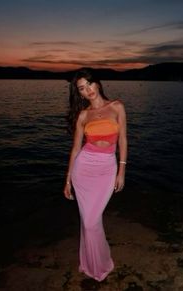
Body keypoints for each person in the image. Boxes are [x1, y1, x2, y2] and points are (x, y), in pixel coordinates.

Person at [63, 68, 127, 281]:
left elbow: (123, 141)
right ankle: (92, 262)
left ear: (97, 83)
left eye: (88, 84)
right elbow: (75, 149)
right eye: (81, 88)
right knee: (89, 221)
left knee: (92, 220)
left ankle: (99, 260)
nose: (87, 90)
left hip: (107, 168)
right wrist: (68, 179)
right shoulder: (83, 115)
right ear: (79, 93)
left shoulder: (117, 106)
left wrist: (122, 170)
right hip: (84, 168)